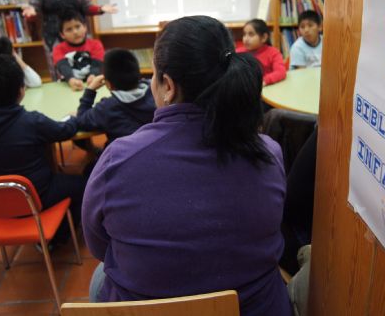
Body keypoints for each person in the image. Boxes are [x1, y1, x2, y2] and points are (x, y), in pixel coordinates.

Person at [83, 16, 292, 316]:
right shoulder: (268, 153)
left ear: (167, 86)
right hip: (252, 308)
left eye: (153, 76)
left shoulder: (118, 159)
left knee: (100, 277)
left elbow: (98, 245)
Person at [0, 55, 85, 244]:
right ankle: (56, 237)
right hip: (33, 197)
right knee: (81, 183)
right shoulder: (31, 121)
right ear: (21, 90)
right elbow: (67, 130)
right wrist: (74, 117)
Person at [22, 0, 117, 79]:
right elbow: (33, 8)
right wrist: (30, 13)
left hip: (78, 33)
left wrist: (101, 8)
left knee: (86, 68)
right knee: (61, 74)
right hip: (54, 37)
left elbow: (87, 6)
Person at [76, 48, 155, 146]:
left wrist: (90, 90)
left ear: (108, 84)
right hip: (154, 151)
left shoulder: (106, 107)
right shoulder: (155, 92)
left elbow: (81, 121)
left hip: (122, 157)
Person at [53, 9, 105, 91]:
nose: (75, 32)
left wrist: (93, 75)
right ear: (62, 35)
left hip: (93, 84)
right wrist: (71, 79)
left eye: (77, 26)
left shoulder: (96, 44)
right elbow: (63, 66)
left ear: (85, 27)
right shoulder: (58, 49)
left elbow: (97, 64)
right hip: (67, 85)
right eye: (69, 29)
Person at [236, 18, 287, 85]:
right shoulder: (238, 52)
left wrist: (264, 81)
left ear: (264, 38)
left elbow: (281, 72)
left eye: (251, 34)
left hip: (265, 89)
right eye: (244, 34)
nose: (246, 39)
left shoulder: (273, 52)